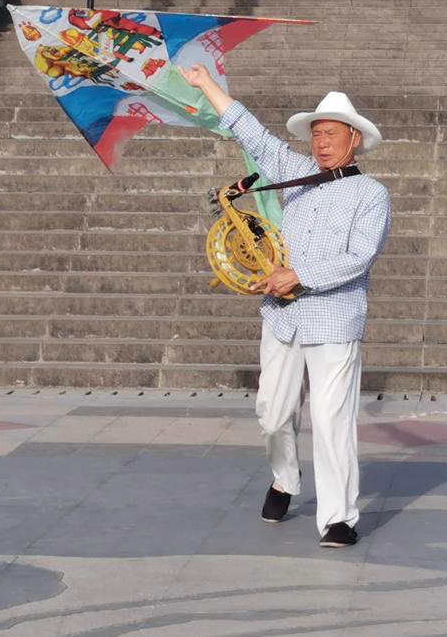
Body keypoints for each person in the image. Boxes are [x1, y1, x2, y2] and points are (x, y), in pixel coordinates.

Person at [178, 64, 390, 549]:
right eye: (316, 134)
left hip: (334, 318)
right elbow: (251, 132)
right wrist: (205, 84)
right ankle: (284, 478)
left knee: (333, 419)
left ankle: (339, 518)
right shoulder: (294, 175)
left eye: (331, 134)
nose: (321, 142)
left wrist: (299, 274)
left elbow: (360, 257)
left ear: (353, 140)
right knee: (272, 413)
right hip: (282, 316)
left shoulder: (371, 194)